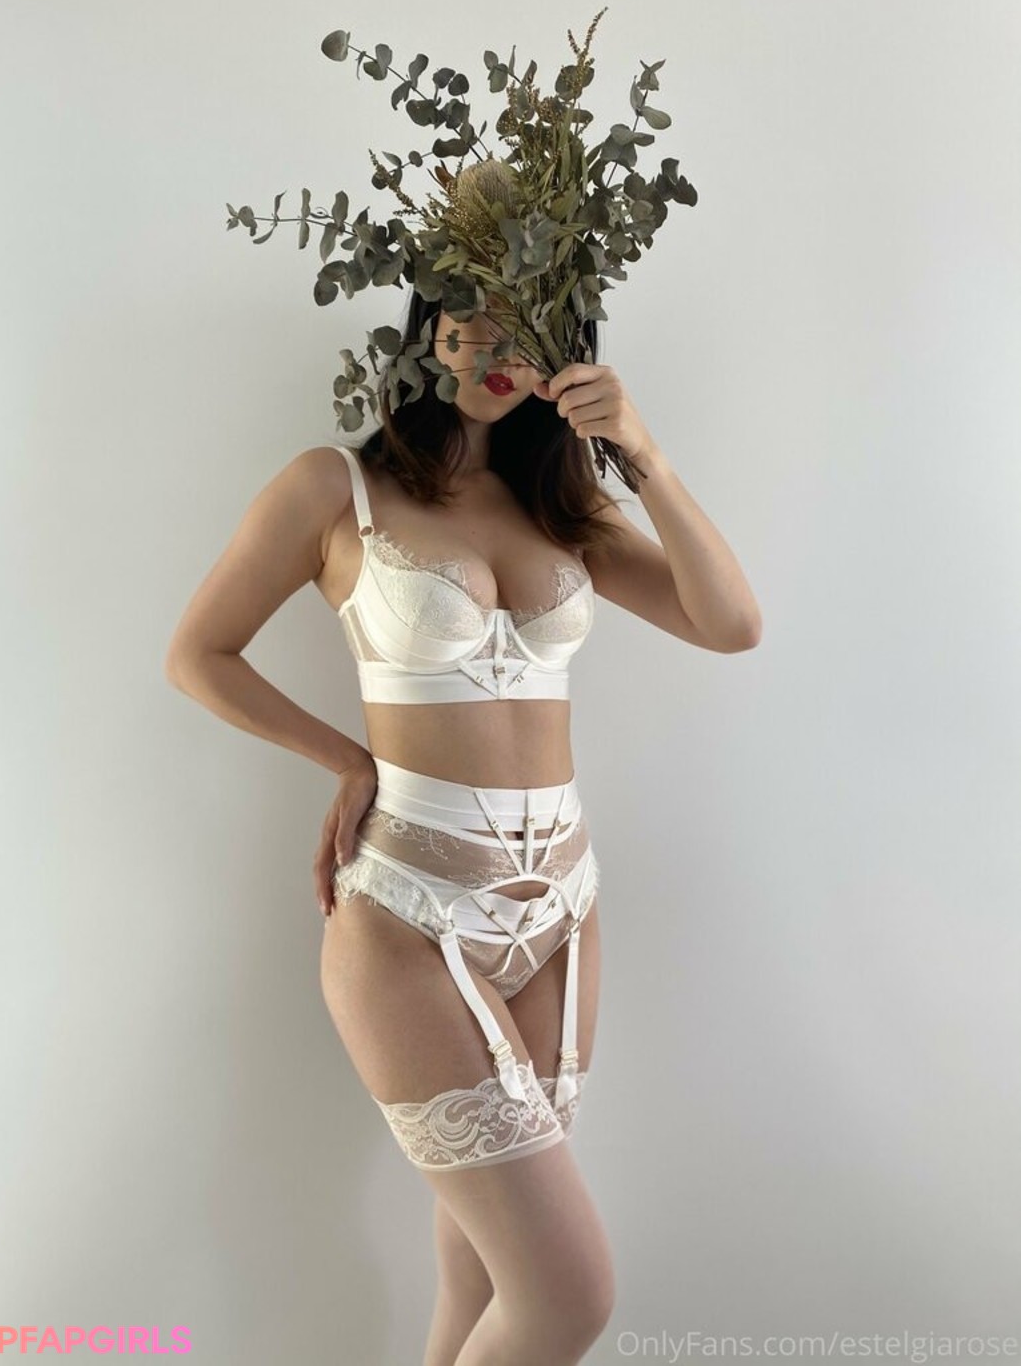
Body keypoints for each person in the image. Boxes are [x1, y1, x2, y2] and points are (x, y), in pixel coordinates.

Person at [165, 287, 762, 1365]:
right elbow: (197, 653)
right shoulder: (336, 488)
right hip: (407, 911)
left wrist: (643, 456)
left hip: (562, 912)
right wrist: (346, 758)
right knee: (568, 1294)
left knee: (486, 1275)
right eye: (469, 317)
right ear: (428, 324)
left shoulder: (563, 507)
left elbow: (731, 623)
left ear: (564, 350)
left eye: (526, 327)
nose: (492, 346)